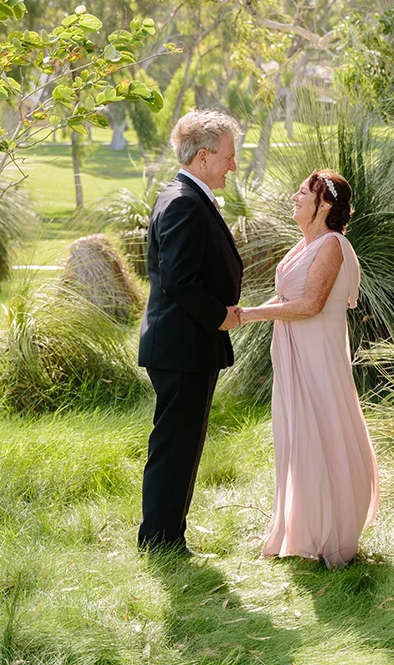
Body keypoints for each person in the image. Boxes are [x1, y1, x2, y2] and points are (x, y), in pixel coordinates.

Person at [232, 170, 379, 568]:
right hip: (294, 348)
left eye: (303, 192)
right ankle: (302, 528)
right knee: (297, 435)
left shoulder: (332, 245)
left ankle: (334, 530)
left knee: (324, 428)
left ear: (325, 205)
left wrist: (246, 315)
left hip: (318, 351)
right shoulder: (305, 244)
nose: (294, 197)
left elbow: (312, 304)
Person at [137, 109, 244, 556]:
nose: (233, 166)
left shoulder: (185, 195)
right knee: (175, 448)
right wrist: (219, 315)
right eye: (229, 156)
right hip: (183, 346)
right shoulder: (182, 200)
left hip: (185, 345)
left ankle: (166, 537)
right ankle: (159, 541)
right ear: (203, 157)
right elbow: (178, 279)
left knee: (181, 445)